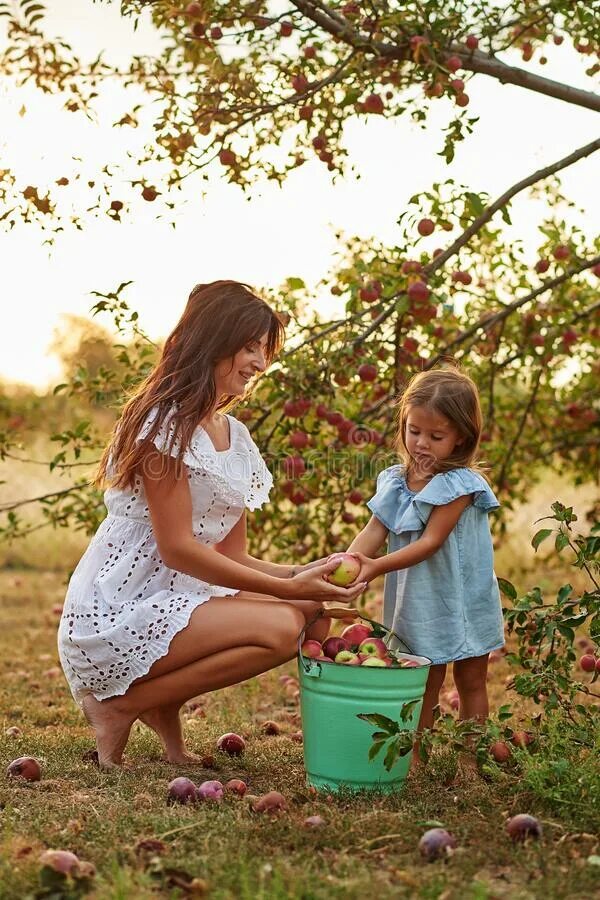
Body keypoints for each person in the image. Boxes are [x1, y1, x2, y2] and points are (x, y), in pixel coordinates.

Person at [57, 281, 366, 769]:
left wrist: (305, 575)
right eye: (249, 348)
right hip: (119, 605)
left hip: (180, 597)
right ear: (212, 340)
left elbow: (232, 556)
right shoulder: (163, 425)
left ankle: (162, 706)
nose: (261, 364)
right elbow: (179, 548)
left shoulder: (234, 438)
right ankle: (120, 705)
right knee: (281, 626)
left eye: (264, 351)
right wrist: (285, 592)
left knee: (309, 607)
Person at [344, 366, 504, 748]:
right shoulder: (395, 481)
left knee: (470, 679)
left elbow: (431, 541)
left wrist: (376, 567)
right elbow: (374, 531)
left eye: (436, 436)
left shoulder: (460, 485)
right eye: (414, 431)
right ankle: (417, 754)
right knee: (422, 682)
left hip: (462, 599)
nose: (422, 444)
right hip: (419, 603)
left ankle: (471, 753)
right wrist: (344, 565)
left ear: (461, 438)